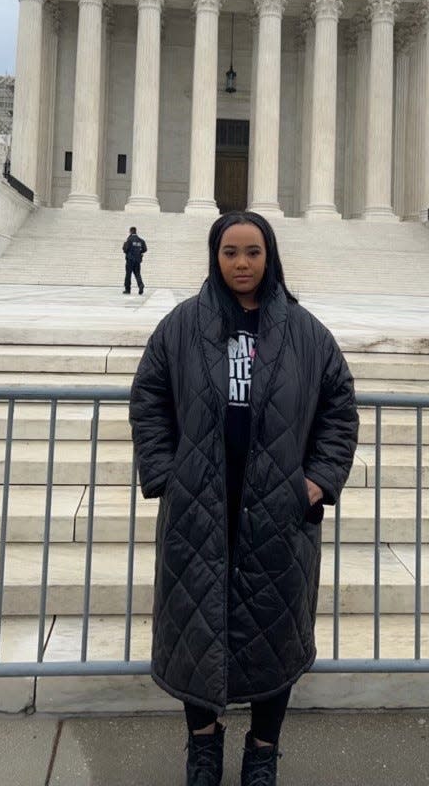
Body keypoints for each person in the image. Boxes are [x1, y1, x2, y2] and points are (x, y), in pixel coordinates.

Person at [129, 211, 359, 785]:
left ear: (269, 256)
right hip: (201, 505)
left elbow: (339, 408)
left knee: (272, 631)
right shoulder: (182, 325)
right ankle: (203, 747)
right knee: (196, 627)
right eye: (230, 252)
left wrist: (318, 480)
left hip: (279, 508)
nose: (241, 264)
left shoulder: (306, 333)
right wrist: (165, 473)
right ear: (216, 256)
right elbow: (149, 397)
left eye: (252, 252)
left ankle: (262, 751)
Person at [122, 226, 147, 294]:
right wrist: (139, 252)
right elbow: (145, 249)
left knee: (128, 275)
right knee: (137, 274)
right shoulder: (141, 240)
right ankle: (141, 285)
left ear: (130, 231)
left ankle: (128, 289)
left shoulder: (129, 239)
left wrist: (127, 252)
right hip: (137, 260)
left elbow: (125, 249)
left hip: (130, 260)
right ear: (136, 231)